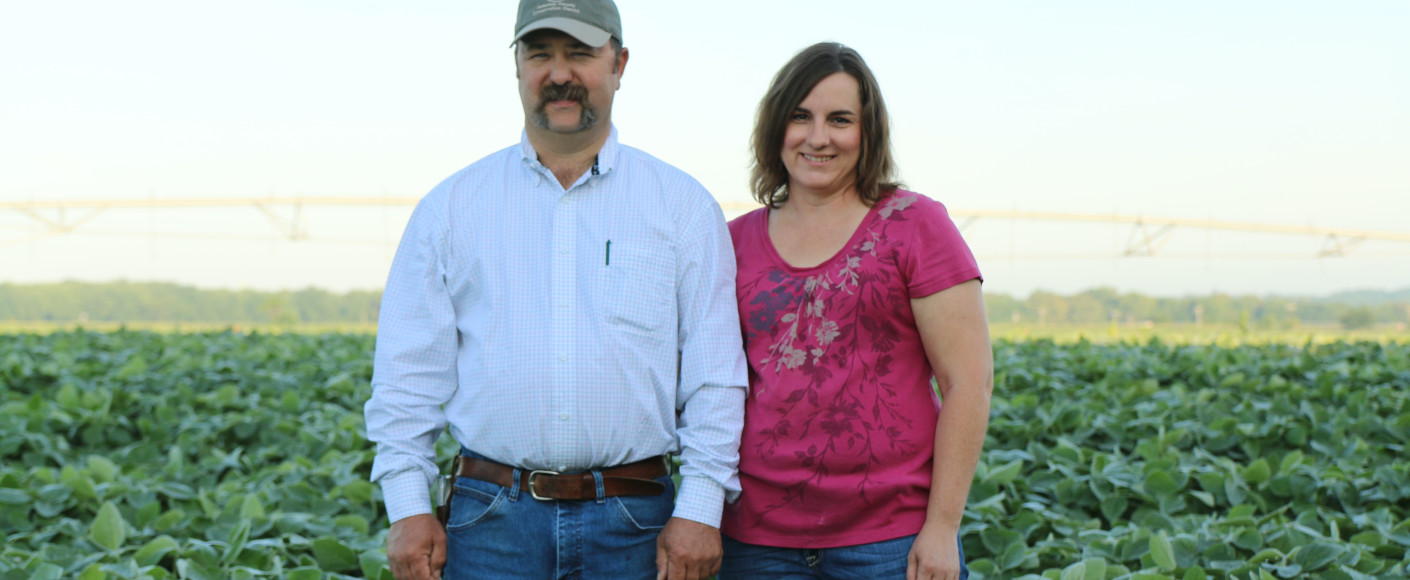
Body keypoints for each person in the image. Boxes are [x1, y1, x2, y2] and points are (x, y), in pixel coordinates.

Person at [363, 2, 748, 579]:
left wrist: (700, 508)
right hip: (489, 520)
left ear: (619, 64)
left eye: (581, 54)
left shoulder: (681, 206)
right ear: (517, 65)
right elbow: (406, 377)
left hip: (638, 520)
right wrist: (407, 507)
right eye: (539, 53)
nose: (559, 73)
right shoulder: (451, 209)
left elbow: (715, 374)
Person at [718, 42, 992, 580]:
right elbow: (716, 388)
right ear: (776, 127)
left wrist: (941, 528)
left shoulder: (917, 225)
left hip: (891, 542)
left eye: (839, 119)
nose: (818, 137)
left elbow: (969, 383)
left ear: (867, 133)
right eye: (801, 117)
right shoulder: (730, 243)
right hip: (756, 543)